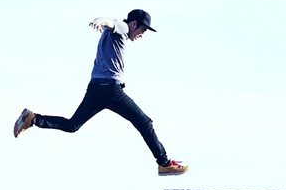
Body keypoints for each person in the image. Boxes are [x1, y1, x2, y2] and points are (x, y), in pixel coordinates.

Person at [13, 9, 188, 176]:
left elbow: (109, 25)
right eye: (142, 30)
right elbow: (111, 22)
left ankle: (33, 118)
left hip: (95, 89)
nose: (142, 34)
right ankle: (164, 163)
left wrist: (102, 22)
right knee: (144, 123)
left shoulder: (114, 35)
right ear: (134, 24)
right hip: (111, 90)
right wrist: (101, 21)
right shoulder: (123, 28)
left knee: (72, 125)